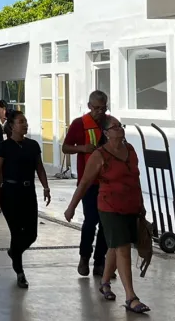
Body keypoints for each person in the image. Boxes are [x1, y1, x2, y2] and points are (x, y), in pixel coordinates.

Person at [64, 114, 150, 313]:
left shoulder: (130, 150)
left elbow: (135, 179)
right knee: (122, 247)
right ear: (106, 133)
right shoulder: (100, 155)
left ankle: (104, 283)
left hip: (131, 206)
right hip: (109, 207)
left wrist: (141, 205)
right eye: (115, 127)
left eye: (121, 126)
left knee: (114, 246)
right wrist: (72, 206)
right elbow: (85, 182)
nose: (120, 129)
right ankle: (131, 297)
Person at [0, 111, 51, 287]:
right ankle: (19, 271)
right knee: (17, 231)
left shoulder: (32, 145)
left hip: (28, 192)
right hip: (10, 193)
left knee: (31, 234)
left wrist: (46, 187)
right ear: (11, 126)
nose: (25, 125)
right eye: (21, 122)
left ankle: (14, 252)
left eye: (25, 121)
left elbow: (39, 167)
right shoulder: (4, 147)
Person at [62, 90, 109, 277]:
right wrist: (82, 148)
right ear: (89, 106)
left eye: (103, 108)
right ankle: (84, 257)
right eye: (96, 108)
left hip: (107, 182)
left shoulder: (110, 123)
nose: (100, 112)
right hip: (88, 182)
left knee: (106, 223)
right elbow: (65, 147)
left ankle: (100, 262)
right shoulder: (79, 124)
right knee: (91, 221)